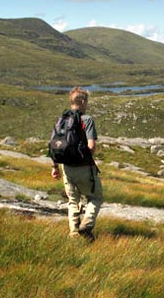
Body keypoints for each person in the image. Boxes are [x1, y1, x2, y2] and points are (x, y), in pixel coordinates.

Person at [51, 86, 103, 241]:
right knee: (96, 198)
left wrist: (55, 167)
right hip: (84, 167)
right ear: (82, 101)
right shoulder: (86, 119)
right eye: (86, 101)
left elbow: (55, 145)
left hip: (66, 167)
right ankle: (86, 226)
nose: (87, 104)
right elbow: (91, 145)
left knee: (73, 201)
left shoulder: (61, 120)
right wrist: (86, 158)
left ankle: (74, 233)